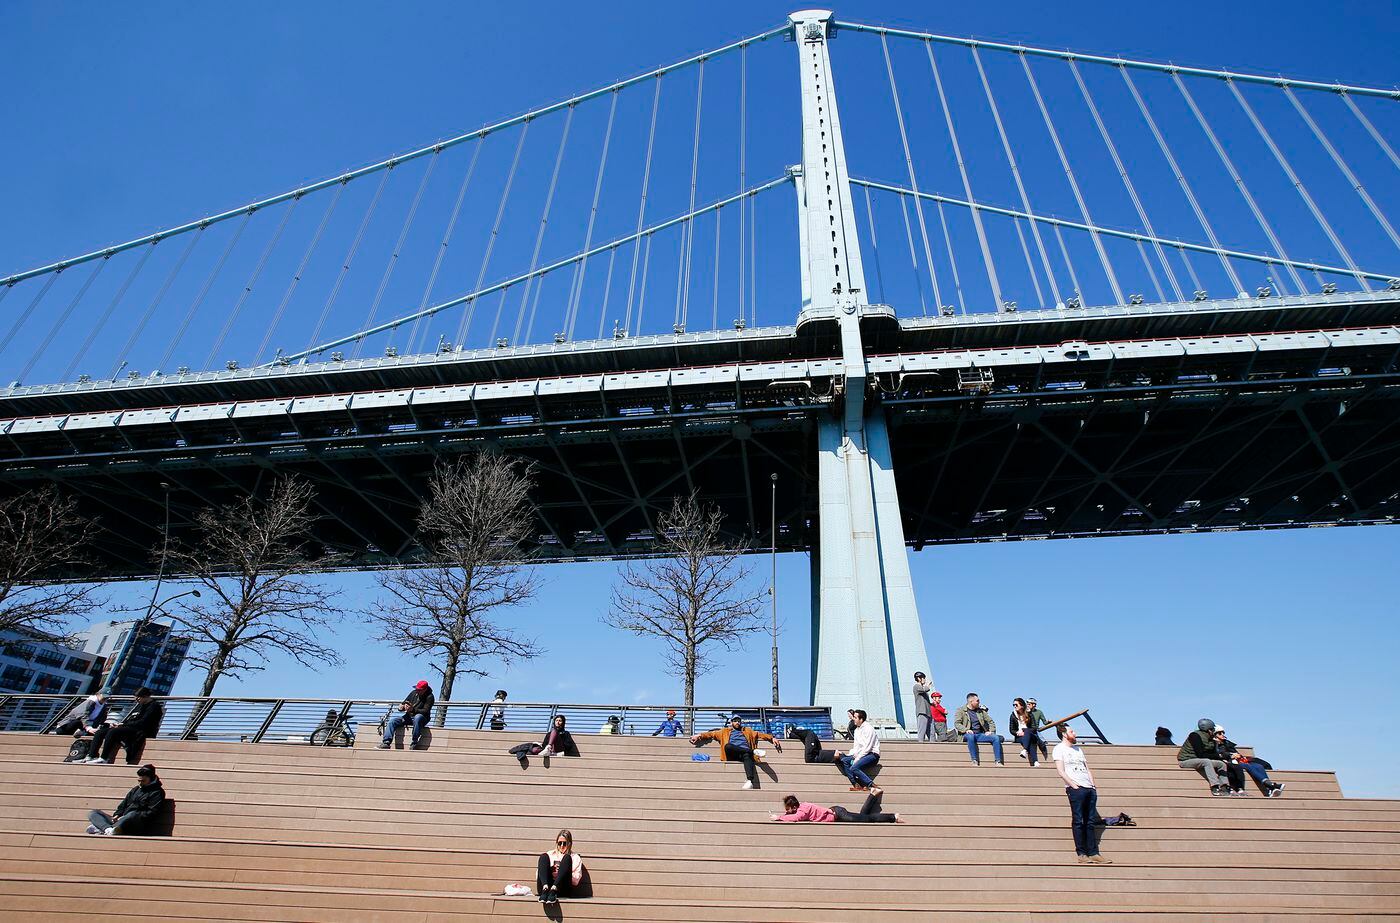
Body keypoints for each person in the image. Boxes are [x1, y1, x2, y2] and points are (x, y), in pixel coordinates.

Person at [1053, 727, 1113, 864]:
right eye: (1072, 731)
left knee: (1090, 822)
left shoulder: (1078, 749)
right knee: (1078, 820)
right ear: (1064, 734)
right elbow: (1061, 771)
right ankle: (1081, 853)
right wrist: (1074, 786)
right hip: (1076, 789)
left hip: (1089, 789)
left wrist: (1093, 786)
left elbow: (1087, 769)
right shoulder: (1059, 749)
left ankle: (1093, 853)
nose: (1075, 734)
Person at [691, 715, 781, 789]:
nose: (737, 722)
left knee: (747, 755)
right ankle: (752, 751)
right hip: (732, 754)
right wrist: (699, 735)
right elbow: (711, 734)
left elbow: (759, 734)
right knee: (728, 746)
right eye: (735, 721)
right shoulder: (724, 731)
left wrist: (772, 738)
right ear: (731, 722)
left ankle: (749, 781)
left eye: (739, 721)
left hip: (744, 755)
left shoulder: (747, 731)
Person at [84, 688, 163, 765]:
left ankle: (104, 758)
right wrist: (121, 724)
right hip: (133, 727)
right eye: (136, 697)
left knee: (113, 732)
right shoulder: (141, 705)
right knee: (100, 732)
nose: (137, 699)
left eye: (138, 697)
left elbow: (143, 722)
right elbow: (134, 719)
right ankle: (91, 756)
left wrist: (124, 725)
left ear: (146, 696)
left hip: (143, 730)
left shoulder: (154, 706)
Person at [85, 763, 166, 836]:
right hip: (121, 820)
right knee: (93, 813)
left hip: (135, 823)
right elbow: (123, 804)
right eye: (139, 781)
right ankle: (108, 829)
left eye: (143, 781)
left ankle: (101, 828)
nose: (140, 783)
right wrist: (117, 815)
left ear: (151, 779)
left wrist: (126, 817)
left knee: (133, 814)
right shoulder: (136, 789)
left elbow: (151, 813)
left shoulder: (157, 792)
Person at [772, 785, 904, 823]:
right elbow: (793, 815)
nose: (787, 811)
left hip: (838, 814)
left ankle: (893, 817)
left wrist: (779, 817)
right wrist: (783, 815)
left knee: (867, 819)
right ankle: (873, 794)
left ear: (794, 807)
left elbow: (796, 818)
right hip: (836, 811)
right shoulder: (801, 806)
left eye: (788, 809)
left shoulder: (802, 810)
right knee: (863, 817)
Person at [1214, 727, 1285, 797]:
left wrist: (1237, 755)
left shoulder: (1227, 743)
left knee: (1258, 766)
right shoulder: (1214, 744)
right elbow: (1218, 754)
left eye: (1223, 733)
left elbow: (1236, 753)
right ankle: (1270, 785)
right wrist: (1230, 754)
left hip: (1239, 760)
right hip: (1231, 763)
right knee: (1247, 766)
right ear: (1215, 735)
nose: (1222, 734)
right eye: (1220, 733)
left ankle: (1269, 787)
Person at [1177, 718, 1230, 796]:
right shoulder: (1195, 736)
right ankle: (1215, 786)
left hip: (1199, 760)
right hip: (1186, 760)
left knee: (1221, 764)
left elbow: (1212, 754)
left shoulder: (1211, 739)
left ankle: (1224, 786)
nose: (1214, 731)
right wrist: (1219, 755)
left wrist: (1221, 756)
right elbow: (1201, 755)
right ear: (1208, 730)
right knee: (1206, 761)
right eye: (1212, 729)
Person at [833, 709, 880, 791]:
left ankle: (870, 784)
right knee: (844, 760)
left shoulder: (869, 729)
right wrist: (849, 755)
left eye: (855, 717)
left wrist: (857, 759)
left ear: (861, 719)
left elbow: (868, 747)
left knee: (854, 767)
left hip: (872, 755)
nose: (853, 719)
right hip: (861, 755)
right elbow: (856, 747)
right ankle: (856, 784)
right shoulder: (856, 731)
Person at [378, 680, 434, 750]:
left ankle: (414, 742)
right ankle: (386, 742)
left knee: (417, 717)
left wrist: (413, 710)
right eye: (416, 689)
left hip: (422, 718)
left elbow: (426, 711)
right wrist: (401, 707)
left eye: (419, 690)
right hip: (409, 717)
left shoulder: (430, 697)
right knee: (392, 721)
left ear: (425, 690)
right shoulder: (413, 693)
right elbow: (404, 702)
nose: (417, 691)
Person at [536, 828, 584, 904]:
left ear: (569, 844)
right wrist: (550, 870)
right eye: (559, 843)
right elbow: (538, 875)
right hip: (546, 887)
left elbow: (576, 882)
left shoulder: (575, 857)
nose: (562, 846)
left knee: (567, 858)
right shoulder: (550, 854)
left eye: (564, 843)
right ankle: (545, 889)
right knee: (543, 856)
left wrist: (563, 873)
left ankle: (554, 888)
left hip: (562, 888)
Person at [954, 692, 1003, 766]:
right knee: (971, 736)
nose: (979, 702)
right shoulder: (960, 710)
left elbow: (991, 721)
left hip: (979, 735)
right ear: (971, 701)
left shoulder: (980, 711)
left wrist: (991, 731)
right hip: (966, 735)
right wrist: (966, 730)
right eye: (977, 701)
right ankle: (974, 760)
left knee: (995, 737)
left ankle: (998, 761)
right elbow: (957, 723)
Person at [511, 715, 580, 764]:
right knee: (534, 749)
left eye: (560, 721)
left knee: (554, 731)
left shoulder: (566, 733)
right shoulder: (549, 734)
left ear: (563, 722)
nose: (558, 722)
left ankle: (549, 748)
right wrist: (540, 745)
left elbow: (568, 746)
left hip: (559, 750)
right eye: (556, 720)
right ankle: (549, 750)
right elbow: (544, 745)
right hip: (549, 750)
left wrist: (559, 739)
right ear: (554, 722)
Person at [1009, 697, 1042, 767]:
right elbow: (1011, 730)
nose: (1014, 706)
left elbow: (1034, 727)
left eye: (1016, 705)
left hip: (1031, 734)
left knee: (1026, 731)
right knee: (1029, 741)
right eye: (1013, 705)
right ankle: (1035, 761)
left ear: (1022, 705)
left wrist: (1026, 731)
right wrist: (1017, 733)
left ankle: (1024, 750)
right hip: (1020, 736)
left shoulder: (1029, 714)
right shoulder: (1013, 716)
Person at [912, 672, 935, 742]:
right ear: (919, 678)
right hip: (922, 712)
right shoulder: (916, 686)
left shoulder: (922, 689)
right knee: (922, 731)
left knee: (932, 732)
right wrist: (928, 685)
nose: (924, 680)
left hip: (928, 713)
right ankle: (920, 747)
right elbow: (925, 689)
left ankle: (933, 747)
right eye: (923, 678)